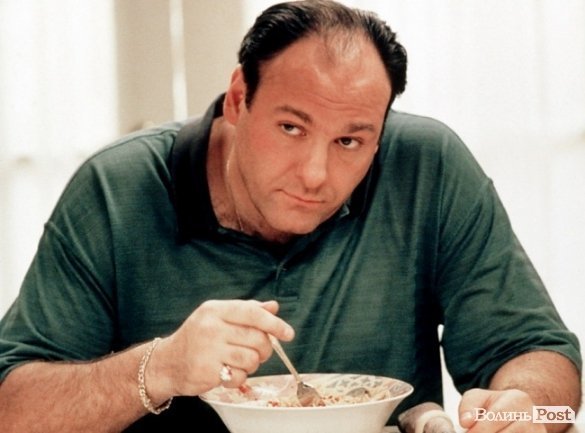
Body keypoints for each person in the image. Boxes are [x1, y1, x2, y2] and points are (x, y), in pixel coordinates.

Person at [0, 1, 581, 432]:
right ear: (238, 98)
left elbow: (550, 372)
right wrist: (161, 368)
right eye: (291, 127)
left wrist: (532, 410)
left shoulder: (428, 166)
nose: (315, 174)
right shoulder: (117, 187)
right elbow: (10, 411)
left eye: (350, 141)